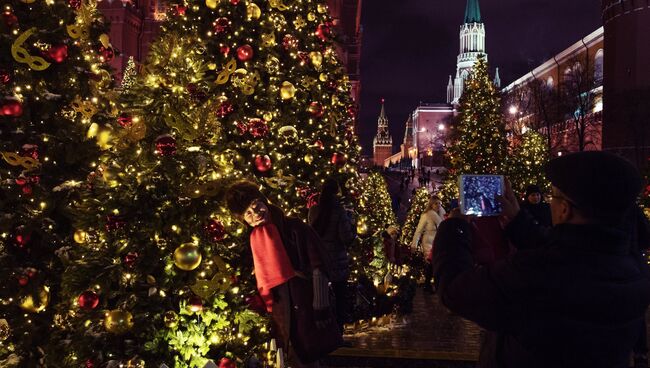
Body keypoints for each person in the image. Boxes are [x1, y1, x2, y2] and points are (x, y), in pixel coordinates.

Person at [433, 151, 650, 367]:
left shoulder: (533, 273)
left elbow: (454, 290)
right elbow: (573, 252)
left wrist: (455, 227)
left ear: (564, 209)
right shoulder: (634, 269)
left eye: (553, 196)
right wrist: (518, 221)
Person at [226, 181, 342, 367]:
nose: (255, 214)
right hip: (281, 311)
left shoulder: (293, 227)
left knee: (310, 356)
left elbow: (318, 265)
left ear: (264, 202)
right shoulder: (254, 239)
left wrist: (321, 305)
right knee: (291, 357)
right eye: (248, 213)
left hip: (306, 303)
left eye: (257, 206)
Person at [308, 178, 355, 334]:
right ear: (337, 192)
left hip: (319, 261)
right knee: (340, 299)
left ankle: (322, 335)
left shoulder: (314, 210)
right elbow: (346, 238)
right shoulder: (340, 211)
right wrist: (351, 222)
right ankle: (337, 335)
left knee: (320, 299)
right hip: (337, 261)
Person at [411, 195, 444, 293]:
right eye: (436, 203)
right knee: (431, 264)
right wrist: (414, 244)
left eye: (439, 203)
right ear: (431, 204)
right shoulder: (426, 215)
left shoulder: (441, 215)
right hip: (428, 243)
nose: (438, 205)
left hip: (438, 242)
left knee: (437, 264)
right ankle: (428, 285)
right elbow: (419, 231)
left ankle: (433, 285)